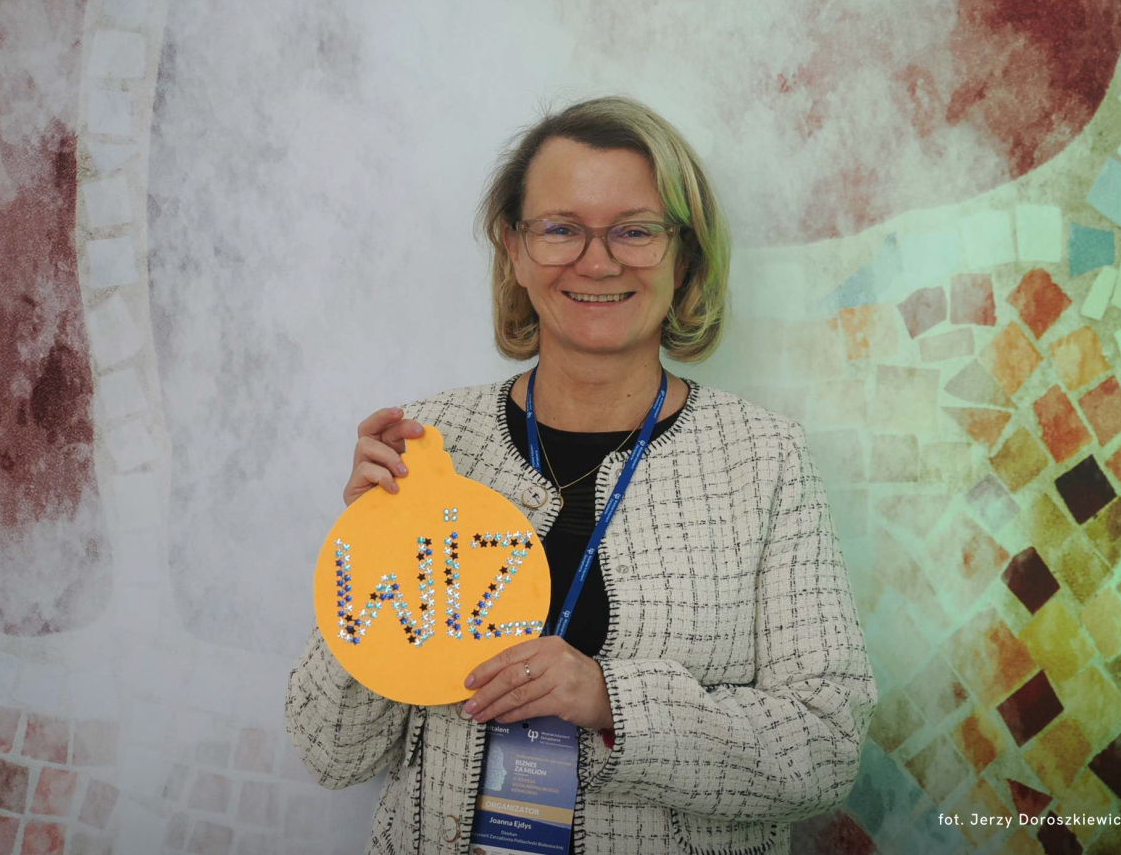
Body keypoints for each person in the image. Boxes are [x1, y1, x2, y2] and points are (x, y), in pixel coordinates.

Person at [284, 96, 876, 855]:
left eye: (635, 230)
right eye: (560, 229)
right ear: (514, 248)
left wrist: (610, 702)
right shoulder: (429, 440)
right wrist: (369, 556)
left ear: (685, 256)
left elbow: (825, 749)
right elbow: (332, 752)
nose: (597, 262)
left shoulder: (764, 460)